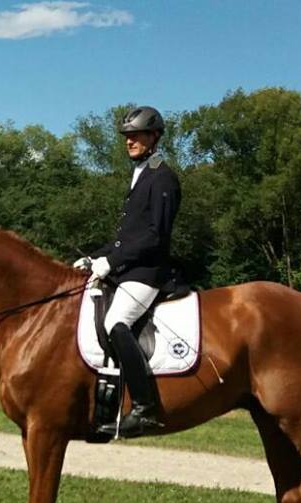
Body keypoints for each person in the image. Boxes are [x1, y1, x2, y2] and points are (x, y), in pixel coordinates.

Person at [75, 105, 182, 438]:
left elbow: (154, 236)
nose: (129, 141)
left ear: (154, 137)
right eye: (127, 136)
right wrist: (96, 258)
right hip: (129, 269)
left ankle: (145, 408)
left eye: (136, 136)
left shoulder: (162, 175)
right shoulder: (140, 174)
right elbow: (127, 237)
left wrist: (113, 262)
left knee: (115, 323)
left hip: (147, 272)